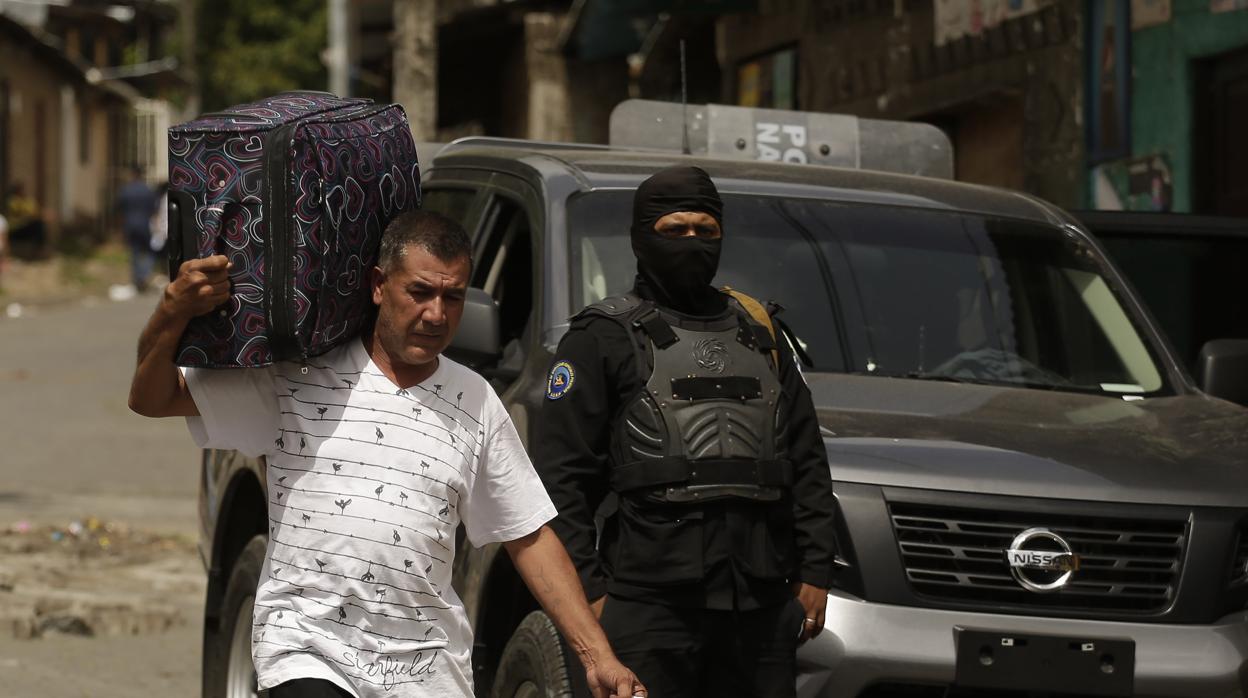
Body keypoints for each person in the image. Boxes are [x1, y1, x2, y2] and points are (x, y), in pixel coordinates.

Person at [128, 210, 645, 698]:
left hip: (424, 668)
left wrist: (596, 654)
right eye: (420, 292)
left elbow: (527, 535)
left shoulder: (476, 400)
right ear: (379, 286)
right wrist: (173, 312)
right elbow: (151, 397)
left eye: (453, 297)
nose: (436, 314)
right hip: (308, 648)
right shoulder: (297, 376)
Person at [534, 165, 838, 697]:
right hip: (647, 603)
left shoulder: (759, 330)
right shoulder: (601, 337)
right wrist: (590, 594)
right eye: (675, 230)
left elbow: (807, 458)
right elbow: (563, 479)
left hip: (760, 605)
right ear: (640, 237)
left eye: (706, 230)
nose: (692, 242)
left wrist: (815, 569)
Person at [116, 165, 158, 291]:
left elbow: (119, 208)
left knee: (134, 252)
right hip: (144, 225)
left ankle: (137, 278)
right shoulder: (148, 190)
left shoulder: (125, 190)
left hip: (130, 225)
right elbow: (154, 209)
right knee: (150, 251)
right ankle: (144, 275)